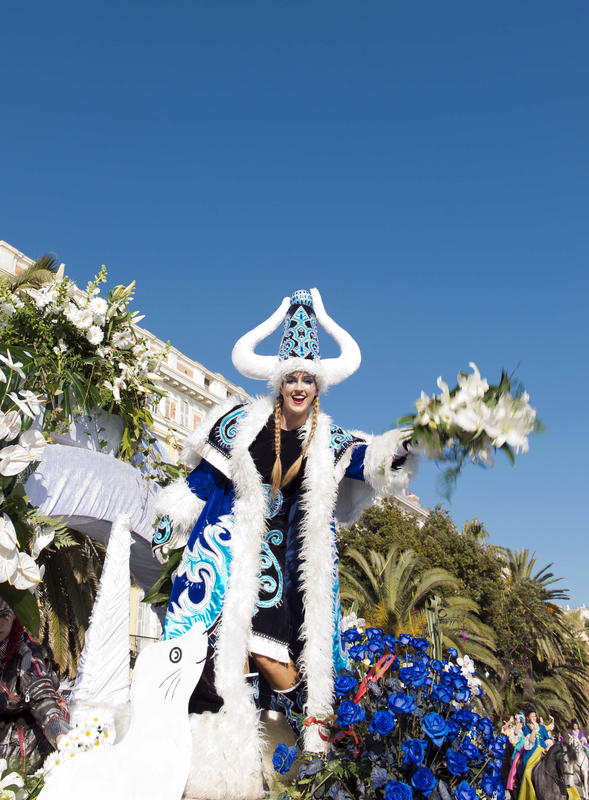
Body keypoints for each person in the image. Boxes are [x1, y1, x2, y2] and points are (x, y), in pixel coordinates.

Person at [152, 289, 419, 799]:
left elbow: (375, 462)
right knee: (213, 663)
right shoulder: (240, 423)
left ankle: (294, 760)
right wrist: (173, 518)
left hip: (291, 573)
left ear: (319, 387)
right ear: (279, 382)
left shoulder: (330, 439)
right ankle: (209, 775)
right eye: (291, 377)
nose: (299, 386)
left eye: (308, 379)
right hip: (228, 557)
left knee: (281, 661)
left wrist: (410, 441)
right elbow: (203, 482)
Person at [0, 599, 70, 771]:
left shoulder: (28, 656)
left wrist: (61, 735)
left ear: (16, 614)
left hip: (21, 762)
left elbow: (44, 698)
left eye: (4, 614)